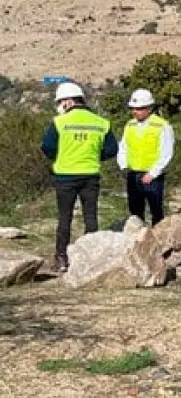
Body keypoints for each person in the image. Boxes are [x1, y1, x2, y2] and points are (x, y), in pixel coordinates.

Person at [39, 81, 118, 273]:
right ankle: (92, 257)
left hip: (65, 176)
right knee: (90, 216)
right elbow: (112, 149)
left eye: (60, 102)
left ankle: (61, 258)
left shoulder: (60, 122)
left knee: (64, 218)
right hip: (90, 175)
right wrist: (93, 156)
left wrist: (61, 155)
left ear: (67, 102)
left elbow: (47, 147)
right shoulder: (101, 122)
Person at [117, 88, 174, 225]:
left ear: (149, 108)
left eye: (140, 108)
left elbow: (166, 152)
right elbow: (123, 147)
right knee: (135, 212)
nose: (135, 111)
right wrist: (123, 166)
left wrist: (153, 173)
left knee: (156, 212)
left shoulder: (161, 125)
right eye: (133, 108)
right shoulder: (129, 125)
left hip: (152, 177)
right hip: (133, 174)